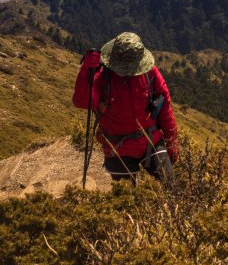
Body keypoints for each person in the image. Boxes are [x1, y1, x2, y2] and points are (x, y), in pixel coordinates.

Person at [74, 32, 178, 182]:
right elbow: (83, 102)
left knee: (170, 187)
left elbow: (164, 107)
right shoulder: (102, 76)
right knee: (126, 199)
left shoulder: (151, 73)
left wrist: (171, 141)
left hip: (150, 141)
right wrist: (85, 72)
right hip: (118, 149)